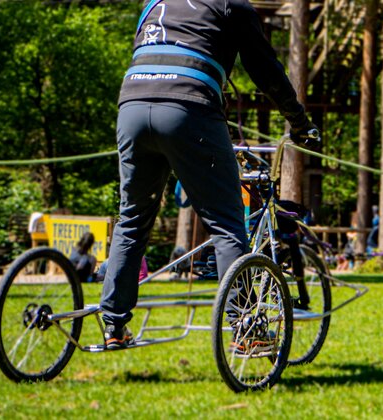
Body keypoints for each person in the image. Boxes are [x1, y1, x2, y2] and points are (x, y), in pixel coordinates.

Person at [100, 0, 319, 350]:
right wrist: (299, 121)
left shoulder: (153, 2)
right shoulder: (232, 5)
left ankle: (113, 324)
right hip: (189, 107)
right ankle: (245, 327)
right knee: (226, 222)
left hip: (132, 106)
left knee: (132, 220)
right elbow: (265, 70)